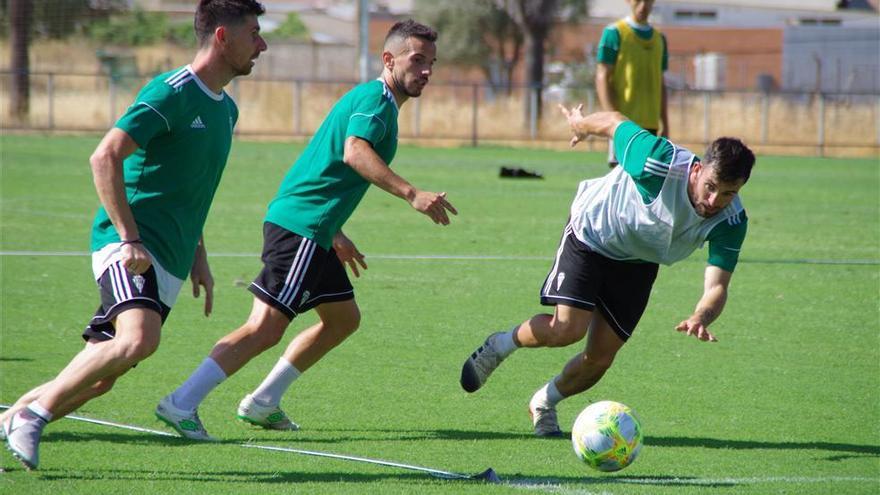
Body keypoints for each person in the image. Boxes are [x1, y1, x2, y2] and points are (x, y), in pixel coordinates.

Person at [155, 19, 455, 440]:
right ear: (388, 59)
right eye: (417, 60)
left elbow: (326, 168)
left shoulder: (377, 102)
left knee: (342, 319)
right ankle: (181, 402)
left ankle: (263, 402)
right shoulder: (376, 100)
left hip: (316, 229)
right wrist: (411, 193)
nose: (426, 70)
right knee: (265, 327)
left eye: (432, 63)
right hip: (300, 228)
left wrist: (335, 231)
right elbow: (354, 153)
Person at [0, 0, 268, 470]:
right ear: (223, 37)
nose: (262, 44)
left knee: (104, 373)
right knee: (139, 339)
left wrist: (198, 256)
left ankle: (13, 418)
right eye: (254, 33)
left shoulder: (227, 111)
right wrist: (128, 238)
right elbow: (104, 157)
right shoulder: (170, 92)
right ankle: (34, 416)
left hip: (169, 259)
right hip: (127, 249)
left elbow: (191, 191)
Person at [459, 104, 755, 437]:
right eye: (711, 187)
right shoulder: (657, 160)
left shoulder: (731, 221)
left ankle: (543, 403)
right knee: (566, 330)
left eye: (729, 193)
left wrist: (702, 316)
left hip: (639, 261)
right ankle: (499, 345)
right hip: (593, 232)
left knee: (599, 359)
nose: (715, 201)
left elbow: (717, 286)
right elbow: (616, 122)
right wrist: (581, 124)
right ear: (698, 170)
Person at [596, 0, 669, 167]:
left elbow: (661, 84)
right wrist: (612, 120)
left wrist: (665, 123)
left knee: (647, 184)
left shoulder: (660, 39)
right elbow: (602, 77)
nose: (643, 6)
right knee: (620, 180)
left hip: (650, 125)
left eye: (648, 1)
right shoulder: (614, 33)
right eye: (638, 0)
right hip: (624, 125)